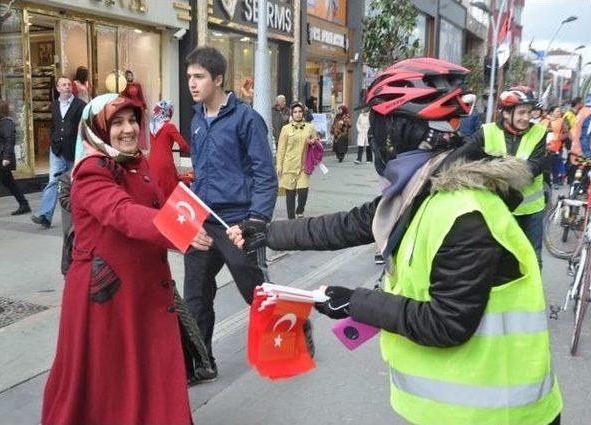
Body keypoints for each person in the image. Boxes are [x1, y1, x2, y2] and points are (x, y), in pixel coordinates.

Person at [228, 57, 563, 425]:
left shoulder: (466, 212)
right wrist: (266, 233)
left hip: (500, 415)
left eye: (380, 124)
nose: (374, 136)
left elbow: (447, 323)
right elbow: (350, 224)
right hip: (451, 409)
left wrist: (355, 303)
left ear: (403, 130)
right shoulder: (424, 186)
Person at [42, 93, 212, 424]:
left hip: (143, 290)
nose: (128, 129)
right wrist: (180, 230)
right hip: (107, 297)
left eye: (132, 120)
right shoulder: (91, 170)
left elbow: (161, 210)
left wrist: (213, 232)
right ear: (98, 128)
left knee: (147, 372)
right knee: (108, 384)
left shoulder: (135, 162)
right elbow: (122, 212)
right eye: (117, 122)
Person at [184, 46, 279, 379]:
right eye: (189, 77)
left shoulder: (246, 119)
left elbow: (265, 174)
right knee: (195, 293)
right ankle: (201, 362)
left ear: (218, 79)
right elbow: (200, 168)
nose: (192, 84)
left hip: (238, 221)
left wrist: (256, 220)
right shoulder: (196, 119)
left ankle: (288, 338)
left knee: (254, 291)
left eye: (199, 77)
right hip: (203, 220)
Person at [466, 86, 547, 265]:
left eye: (529, 112)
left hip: (530, 211)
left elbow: (535, 167)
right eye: (521, 112)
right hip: (496, 208)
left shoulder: (539, 132)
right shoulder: (486, 132)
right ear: (506, 113)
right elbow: (466, 160)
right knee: (494, 261)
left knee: (532, 260)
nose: (526, 117)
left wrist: (493, 170)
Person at [31, 76, 86, 228]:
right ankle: (45, 215)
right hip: (56, 150)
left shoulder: (80, 105)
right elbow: (54, 125)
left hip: (74, 150)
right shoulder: (54, 105)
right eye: (64, 85)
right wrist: (53, 140)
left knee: (75, 183)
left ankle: (80, 216)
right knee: (53, 181)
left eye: (69, 84)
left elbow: (84, 128)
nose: (67, 87)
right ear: (58, 88)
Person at [276, 101, 318, 219]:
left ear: (303, 113)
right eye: (295, 112)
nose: (298, 114)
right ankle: (291, 219)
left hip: (304, 166)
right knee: (290, 194)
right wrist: (279, 166)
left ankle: (300, 209)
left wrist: (313, 142)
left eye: (300, 112)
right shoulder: (286, 129)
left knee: (303, 191)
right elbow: (281, 149)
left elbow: (317, 143)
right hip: (289, 165)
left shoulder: (310, 128)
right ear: (292, 114)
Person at [147, 100, 190, 197]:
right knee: (170, 193)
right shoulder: (169, 127)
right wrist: (194, 152)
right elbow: (183, 145)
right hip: (165, 163)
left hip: (152, 162)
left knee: (157, 191)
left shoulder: (152, 128)